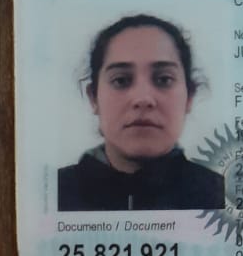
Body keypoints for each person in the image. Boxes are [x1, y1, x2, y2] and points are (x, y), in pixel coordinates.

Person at [58, 14, 225, 212]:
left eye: (163, 79)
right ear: (94, 98)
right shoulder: (54, 194)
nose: (143, 99)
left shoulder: (220, 196)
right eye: (121, 80)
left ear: (189, 96)